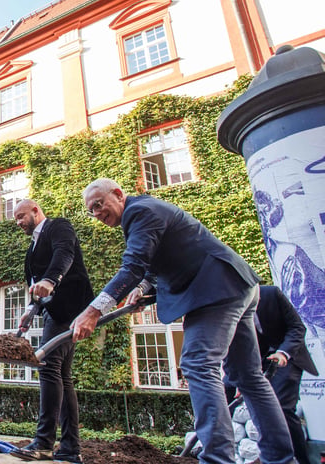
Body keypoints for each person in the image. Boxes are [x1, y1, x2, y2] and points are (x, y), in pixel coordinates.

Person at [73, 178, 295, 464]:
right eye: (92, 211)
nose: (98, 214)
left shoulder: (140, 212)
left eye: (99, 205)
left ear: (118, 194)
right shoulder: (146, 212)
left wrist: (93, 310)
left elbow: (133, 265)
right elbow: (153, 267)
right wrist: (142, 290)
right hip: (237, 286)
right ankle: (281, 459)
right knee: (248, 377)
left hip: (216, 291)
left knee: (198, 364)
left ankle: (216, 459)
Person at [10, 199, 93, 463]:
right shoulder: (32, 248)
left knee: (46, 367)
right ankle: (70, 448)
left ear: (36, 210)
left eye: (21, 216)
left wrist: (50, 279)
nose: (19, 222)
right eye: (16, 219)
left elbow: (64, 254)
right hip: (53, 311)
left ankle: (44, 443)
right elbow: (36, 287)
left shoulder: (58, 227)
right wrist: (30, 311)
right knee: (62, 375)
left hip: (69, 308)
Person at [226, 286, 318, 464]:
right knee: (225, 389)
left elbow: (297, 328)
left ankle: (300, 459)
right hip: (258, 362)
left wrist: (283, 353)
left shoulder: (271, 294)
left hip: (288, 357)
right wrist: (239, 380)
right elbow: (235, 346)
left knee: (282, 407)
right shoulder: (230, 305)